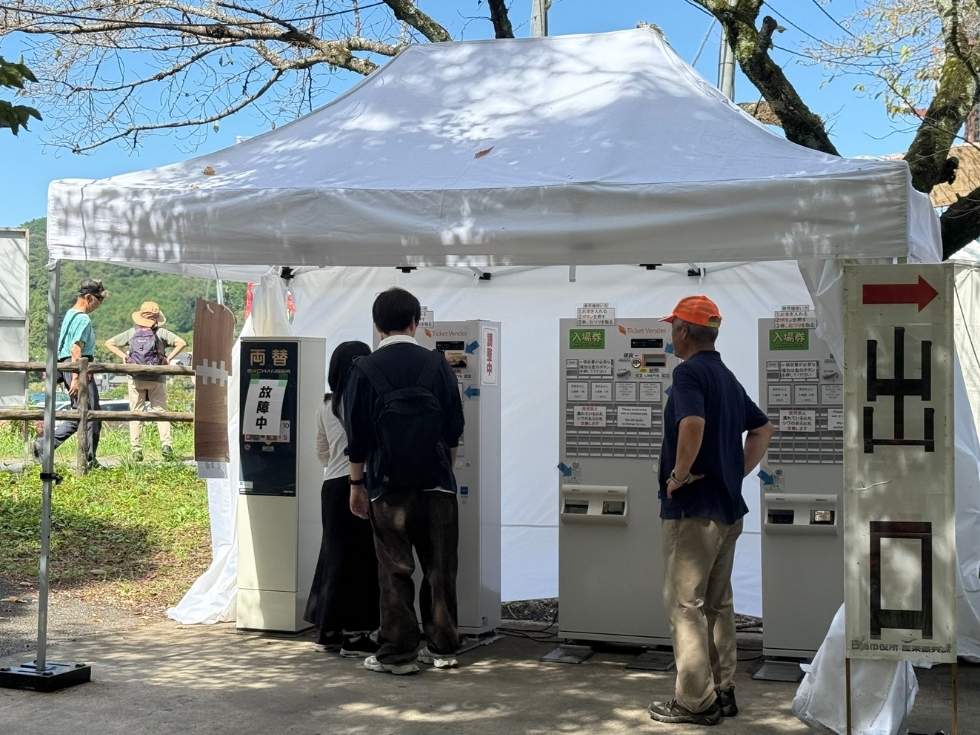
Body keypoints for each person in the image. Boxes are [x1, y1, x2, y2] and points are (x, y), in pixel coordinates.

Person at [649, 295, 774, 727]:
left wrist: (679, 476)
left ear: (683, 331)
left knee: (685, 604)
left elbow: (692, 424)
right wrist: (734, 471)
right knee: (718, 604)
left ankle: (693, 702)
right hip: (727, 510)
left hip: (692, 510)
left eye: (673, 328)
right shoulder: (725, 376)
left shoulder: (688, 375)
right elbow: (762, 428)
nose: (671, 335)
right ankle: (723, 690)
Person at [344, 287, 465, 676]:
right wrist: (444, 471)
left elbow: (357, 437)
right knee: (440, 567)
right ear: (416, 322)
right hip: (437, 485)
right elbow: (454, 427)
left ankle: (398, 654)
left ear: (377, 326)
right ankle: (443, 647)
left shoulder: (363, 369)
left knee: (395, 569)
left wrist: (356, 486)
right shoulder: (437, 364)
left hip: (387, 487)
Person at [304, 341, 382, 658]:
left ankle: (328, 629)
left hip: (331, 487)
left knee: (333, 557)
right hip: (358, 485)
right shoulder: (366, 402)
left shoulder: (326, 405)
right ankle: (356, 633)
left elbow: (321, 453)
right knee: (362, 560)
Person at [34, 278, 108, 468]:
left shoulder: (70, 314)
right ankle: (88, 459)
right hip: (77, 366)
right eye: (99, 301)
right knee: (91, 414)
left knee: (81, 413)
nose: (98, 306)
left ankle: (46, 445)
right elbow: (76, 348)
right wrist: (76, 377)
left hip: (68, 365)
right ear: (89, 297)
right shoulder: (83, 318)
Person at [104, 302, 186, 462]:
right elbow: (182, 343)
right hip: (157, 378)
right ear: (156, 318)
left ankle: (136, 449)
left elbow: (109, 343)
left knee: (136, 413)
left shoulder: (132, 332)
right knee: (161, 412)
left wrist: (123, 356)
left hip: (135, 378)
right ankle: (166, 445)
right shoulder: (161, 332)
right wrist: (168, 358)